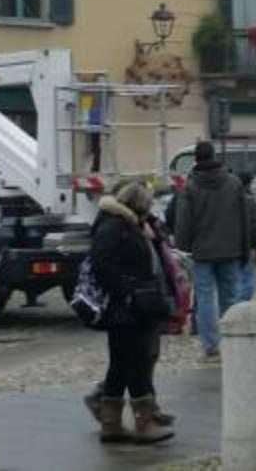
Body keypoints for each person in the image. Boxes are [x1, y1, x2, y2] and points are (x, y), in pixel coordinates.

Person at [86, 182, 174, 444]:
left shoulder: (126, 224)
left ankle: (111, 423)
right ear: (138, 204)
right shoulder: (114, 226)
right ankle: (144, 424)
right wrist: (128, 292)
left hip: (131, 306)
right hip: (126, 307)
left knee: (121, 364)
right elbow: (101, 265)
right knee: (136, 363)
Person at [174, 141, 250, 361]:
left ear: (196, 159)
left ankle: (211, 347)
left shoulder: (190, 186)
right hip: (231, 248)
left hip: (202, 252)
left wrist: (184, 247)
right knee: (231, 297)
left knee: (205, 299)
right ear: (214, 155)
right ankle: (233, 341)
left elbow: (183, 222)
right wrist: (244, 248)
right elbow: (243, 218)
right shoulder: (234, 183)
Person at [237, 172, 256, 302]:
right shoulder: (249, 200)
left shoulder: (232, 197)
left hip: (234, 244)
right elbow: (254, 225)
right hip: (247, 244)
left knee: (238, 278)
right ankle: (242, 305)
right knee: (248, 279)